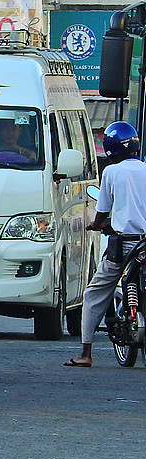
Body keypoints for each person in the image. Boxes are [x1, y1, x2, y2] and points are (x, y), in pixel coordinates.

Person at [63, 121, 146, 368]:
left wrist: (96, 224)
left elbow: (102, 212)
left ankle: (86, 353)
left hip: (124, 246)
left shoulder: (111, 173)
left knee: (94, 294)